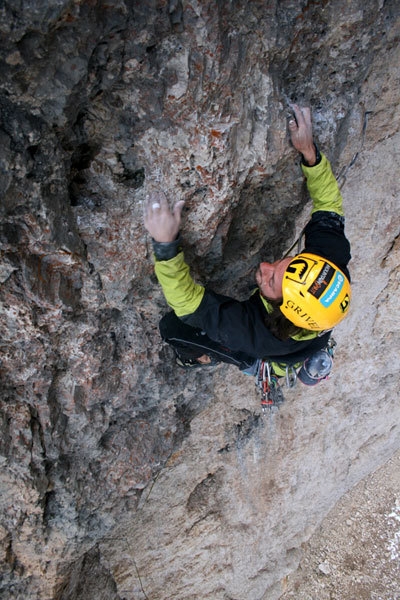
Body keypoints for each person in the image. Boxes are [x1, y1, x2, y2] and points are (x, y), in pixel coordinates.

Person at [143, 105, 351, 384]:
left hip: (263, 355)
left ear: (279, 308)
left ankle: (209, 357)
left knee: (172, 328)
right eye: (284, 264)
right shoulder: (325, 270)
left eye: (271, 279)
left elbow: (188, 304)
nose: (265, 265)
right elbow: (329, 208)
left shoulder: (254, 335)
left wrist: (165, 244)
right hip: (310, 332)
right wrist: (309, 154)